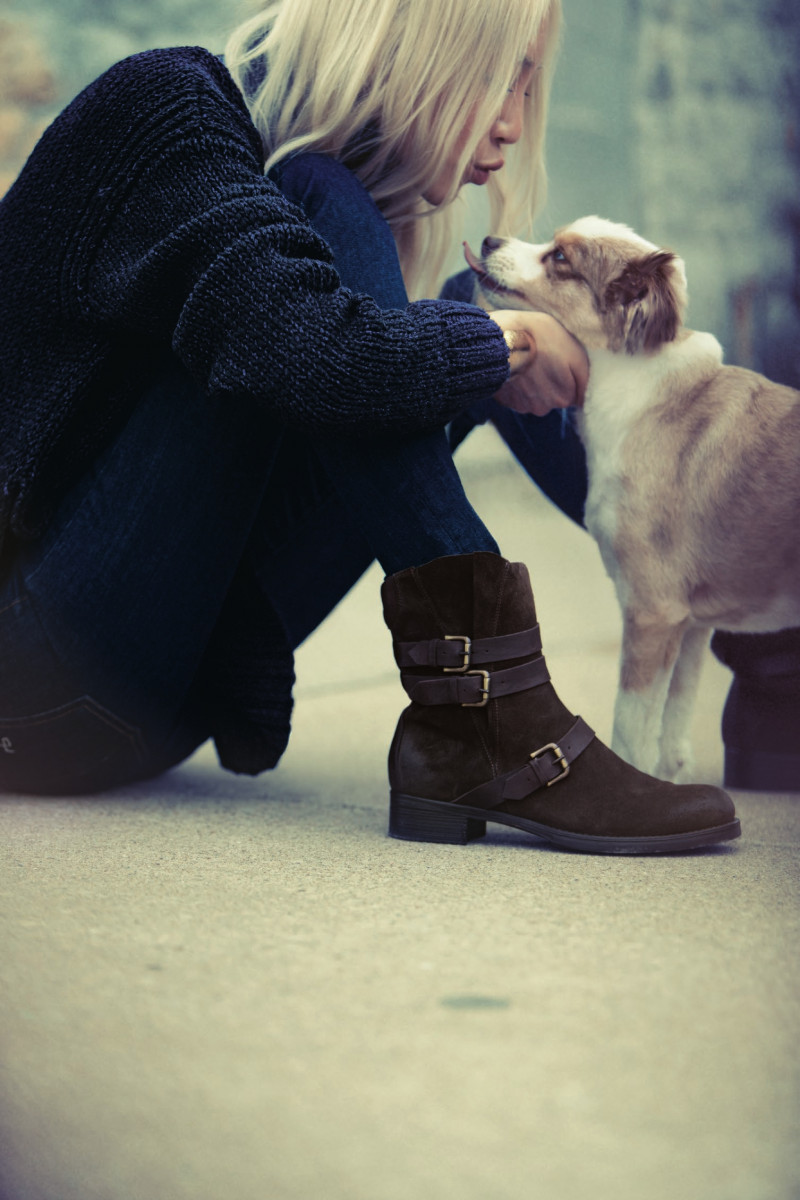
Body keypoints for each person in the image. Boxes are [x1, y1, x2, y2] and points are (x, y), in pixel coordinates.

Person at [0, 0, 742, 851]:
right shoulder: (165, 111)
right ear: (415, 47)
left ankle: (767, 632)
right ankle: (494, 709)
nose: (511, 127)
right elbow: (325, 357)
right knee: (379, 263)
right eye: (503, 78)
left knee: (459, 311)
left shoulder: (288, 187)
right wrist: (505, 342)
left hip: (162, 697)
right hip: (31, 688)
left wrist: (495, 332)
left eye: (530, 90)